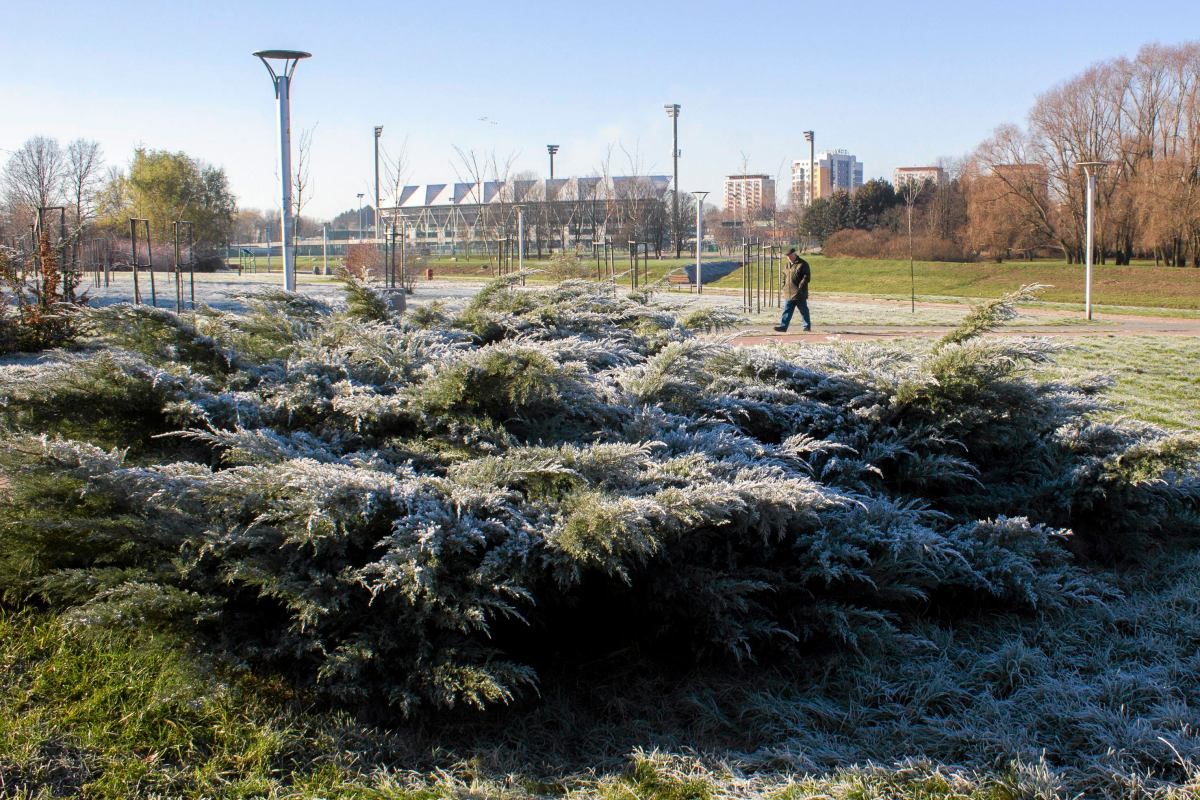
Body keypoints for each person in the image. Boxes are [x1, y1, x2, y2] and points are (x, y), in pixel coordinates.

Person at [774, 248, 811, 332]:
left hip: (799, 293)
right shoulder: (786, 265)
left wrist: (800, 287)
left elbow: (806, 277)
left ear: (794, 254)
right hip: (788, 293)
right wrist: (783, 286)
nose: (789, 257)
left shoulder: (803, 264)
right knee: (787, 311)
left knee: (804, 311)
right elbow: (784, 276)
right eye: (787, 256)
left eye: (790, 255)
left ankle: (807, 327)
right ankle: (783, 327)